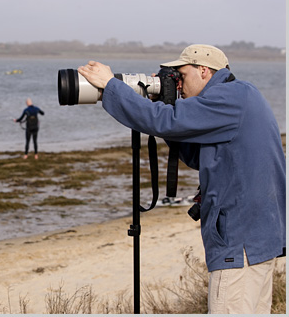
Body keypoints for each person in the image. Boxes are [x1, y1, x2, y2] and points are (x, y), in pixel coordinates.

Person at [78, 44, 285, 314]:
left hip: (240, 244)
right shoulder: (242, 95)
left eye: (181, 76)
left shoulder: (228, 98)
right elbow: (197, 156)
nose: (179, 84)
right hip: (257, 239)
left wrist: (110, 85)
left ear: (203, 71)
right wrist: (165, 101)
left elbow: (166, 122)